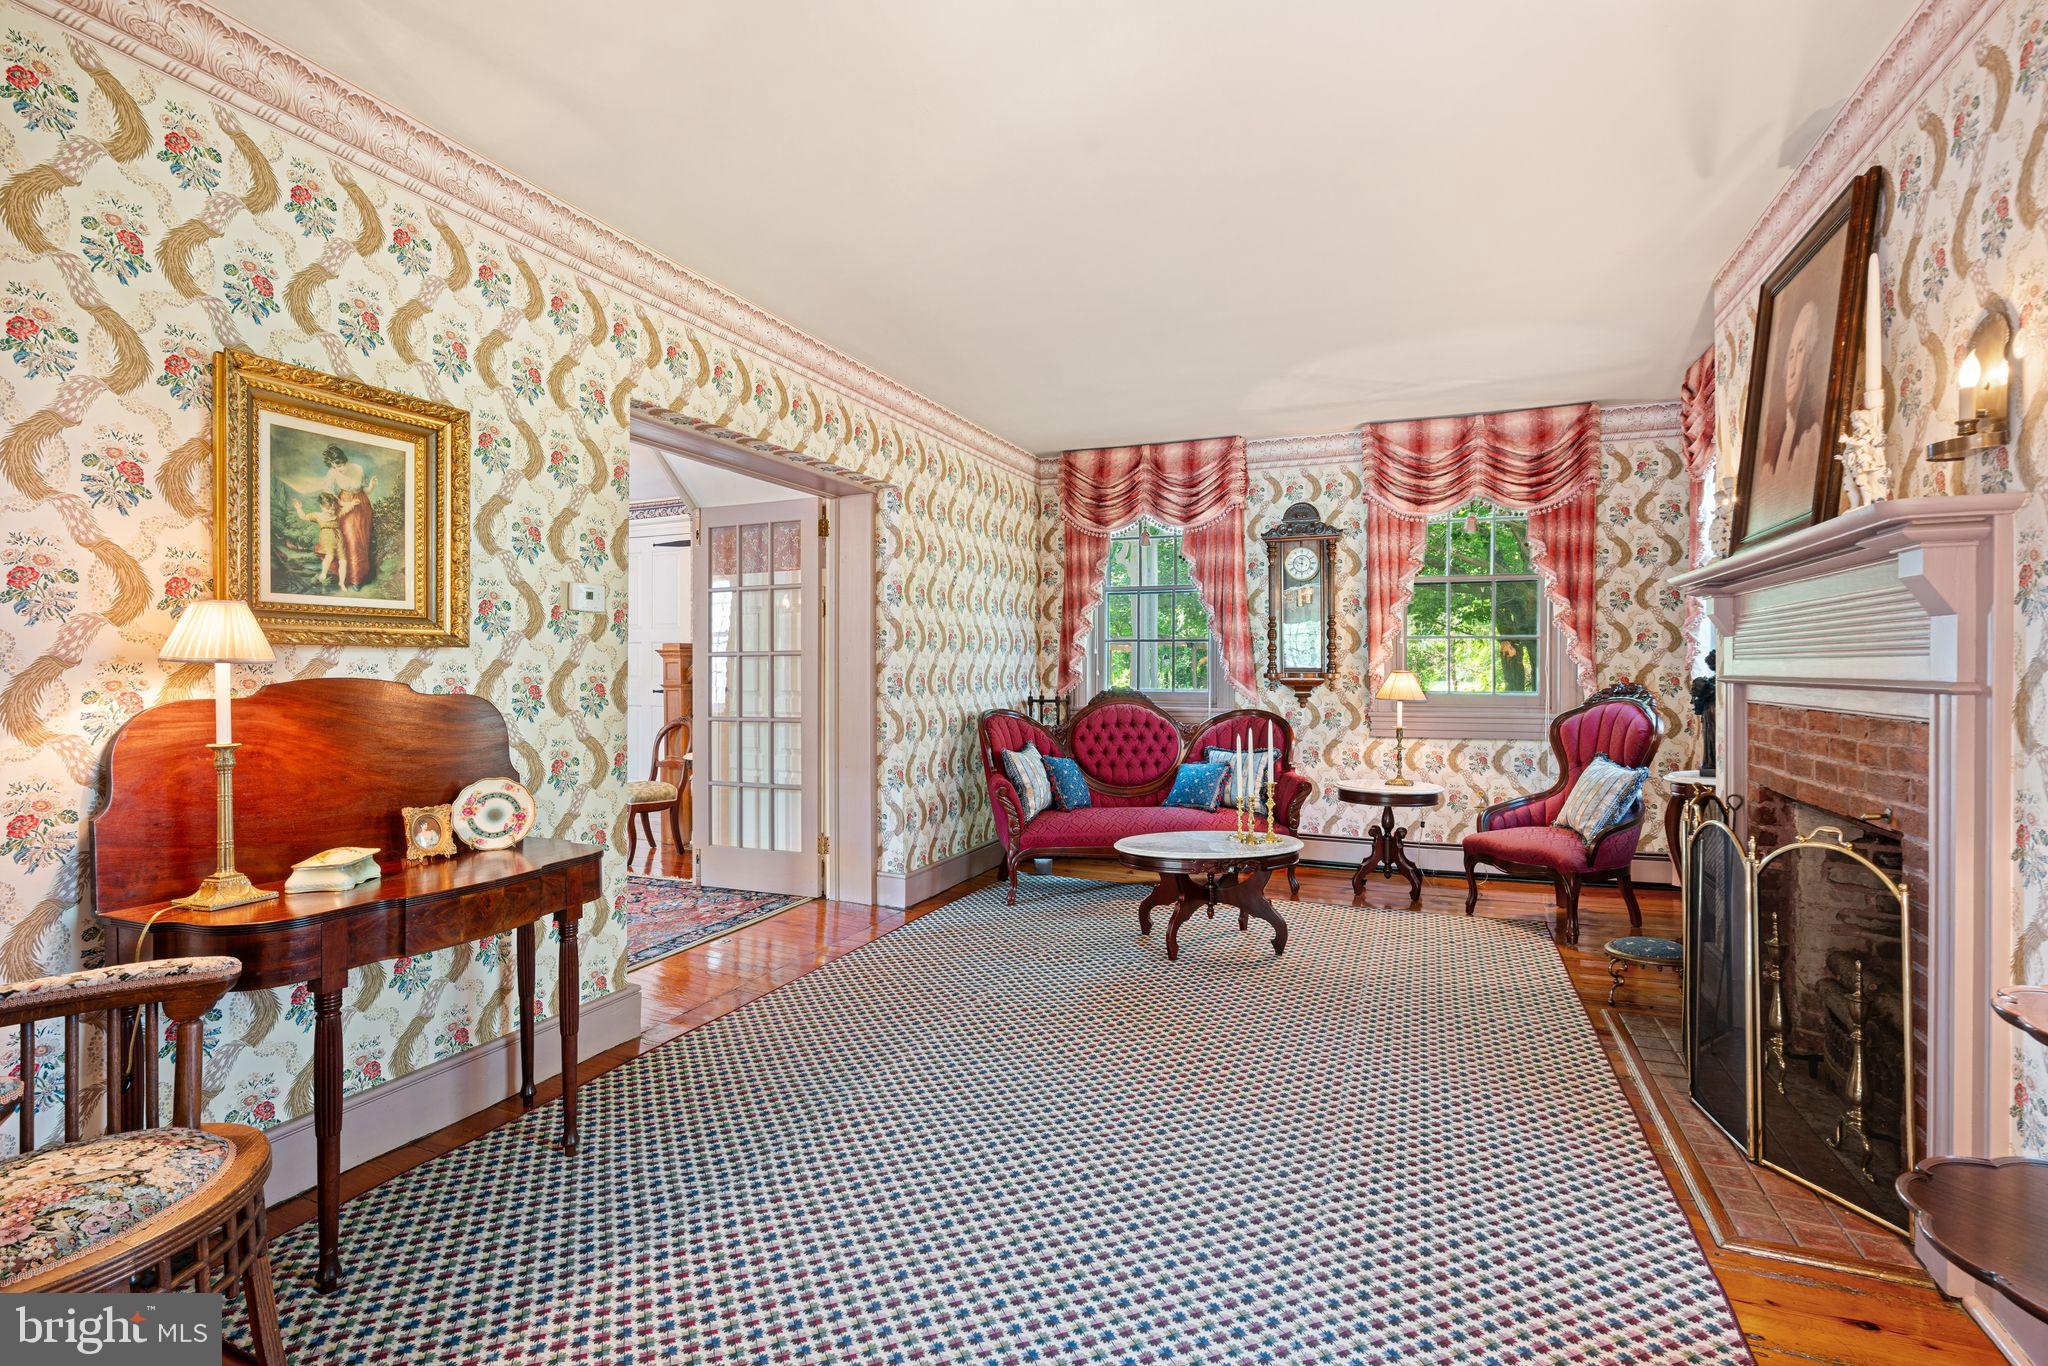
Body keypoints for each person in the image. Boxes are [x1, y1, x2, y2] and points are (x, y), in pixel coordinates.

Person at [293, 491, 342, 584]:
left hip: (337, 538)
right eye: (327, 508)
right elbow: (304, 516)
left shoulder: (334, 514)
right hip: (326, 538)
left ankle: (335, 576)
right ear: (321, 506)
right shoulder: (317, 515)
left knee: (339, 557)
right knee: (330, 555)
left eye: (332, 509)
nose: (330, 511)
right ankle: (323, 574)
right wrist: (299, 508)